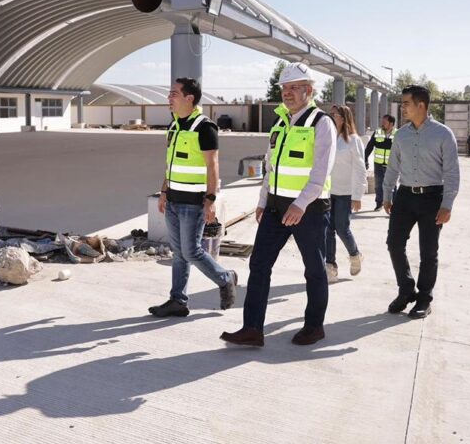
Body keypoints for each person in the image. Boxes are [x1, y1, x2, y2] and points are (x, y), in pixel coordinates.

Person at [221, 62, 336, 347]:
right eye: (284, 88)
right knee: (259, 265)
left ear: (309, 91)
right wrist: (262, 201)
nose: (287, 93)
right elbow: (270, 167)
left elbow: (320, 173)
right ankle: (252, 329)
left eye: (294, 88)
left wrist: (299, 204)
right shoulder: (280, 122)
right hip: (274, 208)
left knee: (314, 269)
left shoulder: (322, 124)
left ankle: (314, 326)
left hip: (307, 209)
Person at [149, 78, 238, 318]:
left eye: (174, 94)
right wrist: (164, 191)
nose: (169, 98)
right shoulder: (174, 126)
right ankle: (178, 300)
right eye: (169, 93)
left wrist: (211, 199)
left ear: (190, 98)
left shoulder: (205, 127)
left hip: (194, 202)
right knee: (178, 253)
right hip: (174, 201)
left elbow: (213, 165)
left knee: (191, 251)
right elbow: (171, 164)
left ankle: (225, 278)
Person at [384, 85, 460, 319]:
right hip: (405, 196)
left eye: (406, 103)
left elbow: (451, 172)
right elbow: (393, 166)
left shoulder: (443, 134)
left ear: (421, 105)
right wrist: (387, 194)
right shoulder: (401, 134)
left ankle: (424, 298)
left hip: (432, 198)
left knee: (429, 252)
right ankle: (407, 290)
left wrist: (447, 204)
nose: (402, 107)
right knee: (394, 243)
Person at [325, 105, 367, 283]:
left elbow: (360, 169)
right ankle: (330, 266)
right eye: (331, 114)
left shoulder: (353, 140)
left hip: (345, 193)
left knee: (342, 228)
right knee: (328, 230)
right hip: (327, 192)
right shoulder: (328, 138)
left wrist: (357, 195)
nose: (332, 117)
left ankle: (355, 254)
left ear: (343, 118)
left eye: (335, 115)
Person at [365, 114, 396, 211]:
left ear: (391, 123)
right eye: (382, 121)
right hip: (378, 164)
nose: (382, 124)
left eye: (384, 122)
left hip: (392, 165)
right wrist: (365, 158)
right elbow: (369, 147)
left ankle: (395, 206)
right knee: (378, 185)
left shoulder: (398, 134)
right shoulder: (377, 132)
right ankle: (379, 203)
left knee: (392, 185)